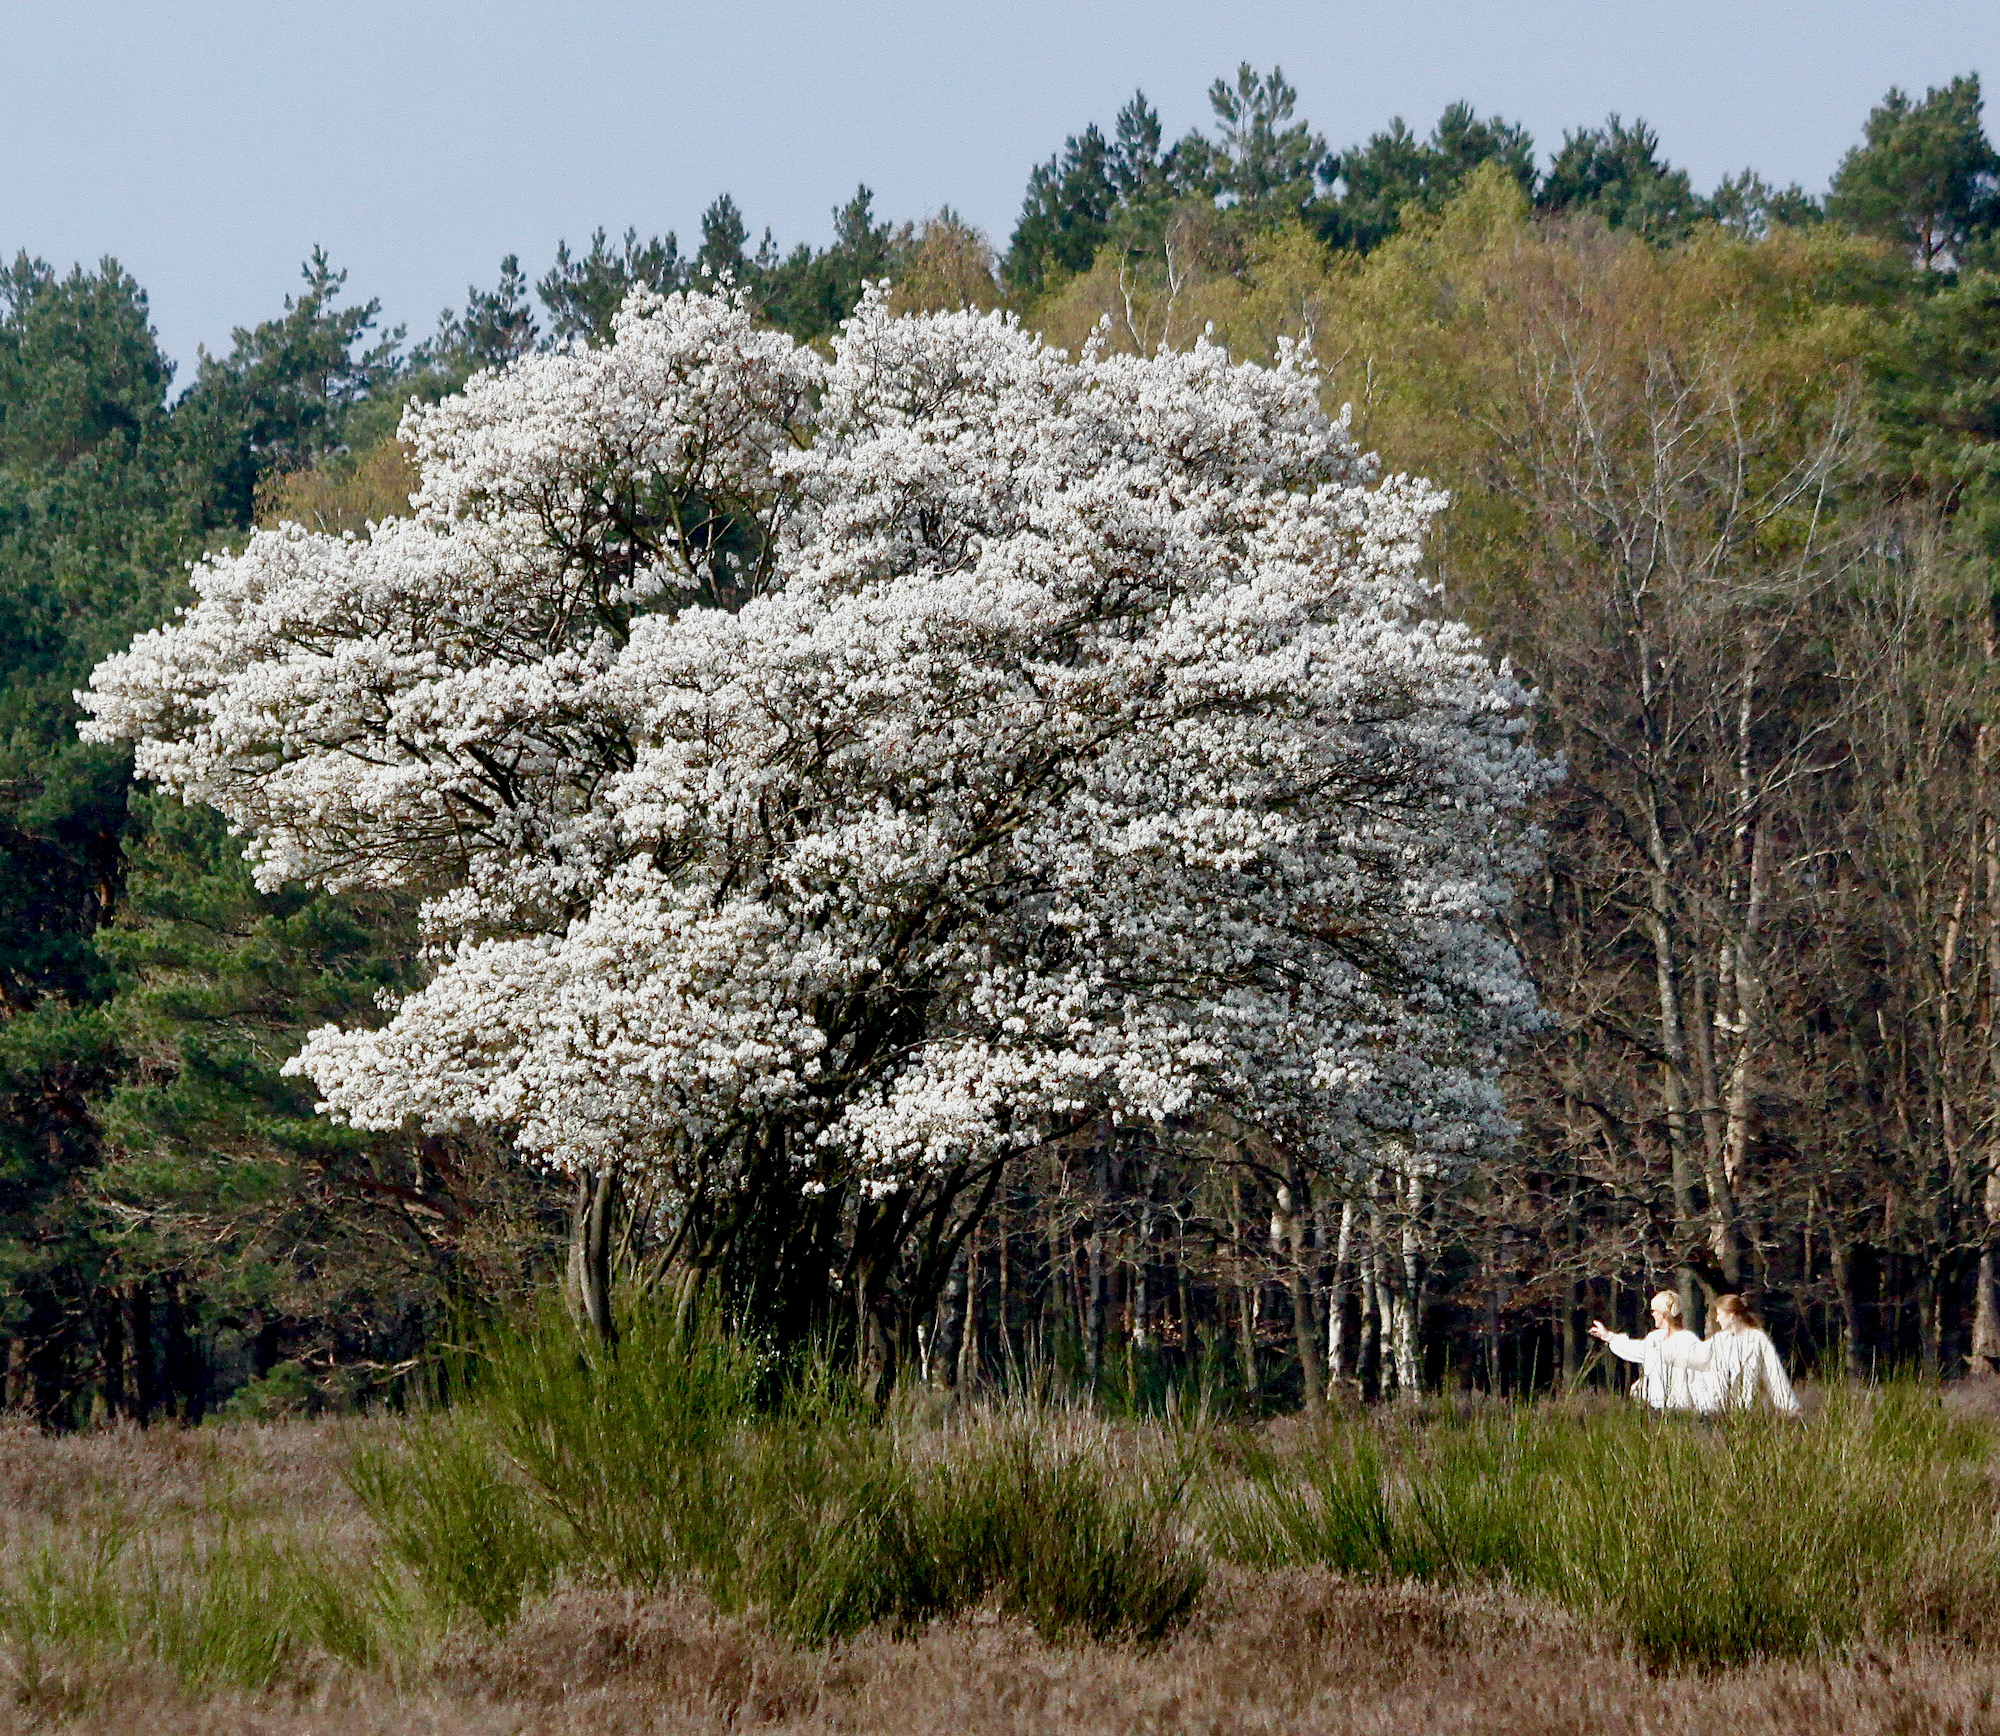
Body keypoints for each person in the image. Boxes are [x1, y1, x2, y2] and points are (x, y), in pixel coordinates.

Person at [1654, 1293, 1801, 1415]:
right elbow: (1695, 1356)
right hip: (1718, 1413)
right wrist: (1663, 1352)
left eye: (1719, 1314)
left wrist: (1790, 1407)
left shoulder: (1757, 1339)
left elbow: (1774, 1375)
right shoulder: (1720, 1340)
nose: (1717, 1319)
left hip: (1748, 1412)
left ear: (1731, 1315)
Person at [1587, 1291, 1708, 1411]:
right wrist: (1608, 1336)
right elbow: (1635, 1349)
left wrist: (1703, 1409)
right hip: (1653, 1408)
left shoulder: (1687, 1341)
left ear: (1663, 1314)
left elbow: (1698, 1378)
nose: (1652, 1314)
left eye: (1654, 1311)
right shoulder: (1655, 1338)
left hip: (1680, 1410)